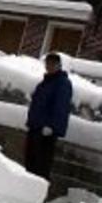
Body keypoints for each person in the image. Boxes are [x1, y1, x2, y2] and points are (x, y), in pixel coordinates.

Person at [24, 52, 72, 181]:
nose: (49, 66)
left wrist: (52, 126)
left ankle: (37, 191)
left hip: (46, 131)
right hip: (36, 127)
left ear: (59, 65)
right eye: (47, 64)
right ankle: (28, 188)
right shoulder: (46, 82)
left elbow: (61, 107)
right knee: (31, 160)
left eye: (52, 64)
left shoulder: (62, 83)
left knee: (42, 163)